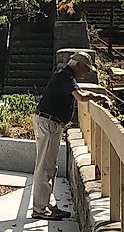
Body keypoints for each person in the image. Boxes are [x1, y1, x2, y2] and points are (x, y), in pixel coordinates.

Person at [32, 52, 108, 221]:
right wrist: (98, 96)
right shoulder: (66, 76)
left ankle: (48, 206)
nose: (87, 73)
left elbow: (78, 91)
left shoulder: (65, 75)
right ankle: (40, 209)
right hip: (49, 123)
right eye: (86, 69)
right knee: (44, 167)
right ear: (78, 65)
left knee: (49, 167)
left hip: (50, 122)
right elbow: (80, 97)